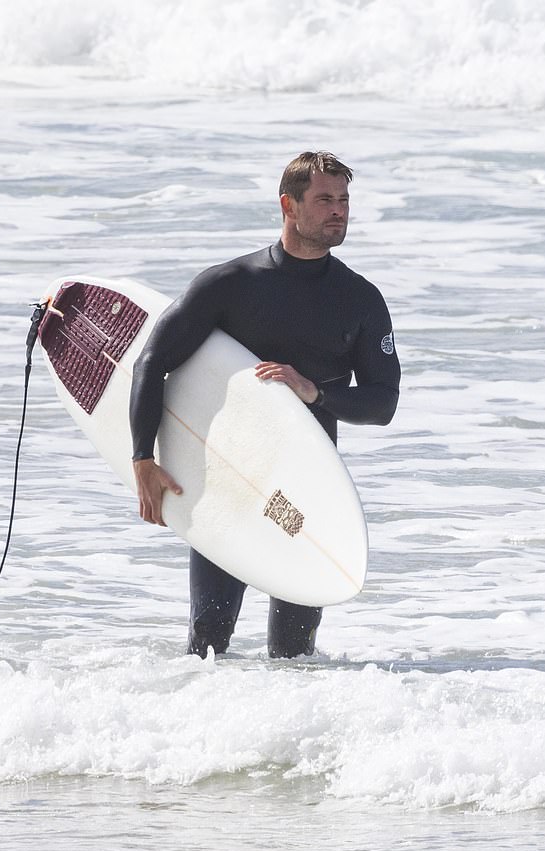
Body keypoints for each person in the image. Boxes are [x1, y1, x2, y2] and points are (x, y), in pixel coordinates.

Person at [129, 151, 400, 659]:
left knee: (295, 656)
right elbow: (151, 363)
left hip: (306, 492)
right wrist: (143, 458)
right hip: (229, 479)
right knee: (207, 644)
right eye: (324, 199)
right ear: (288, 205)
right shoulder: (229, 285)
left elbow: (383, 403)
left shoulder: (360, 299)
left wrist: (315, 392)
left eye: (343, 200)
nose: (338, 210)